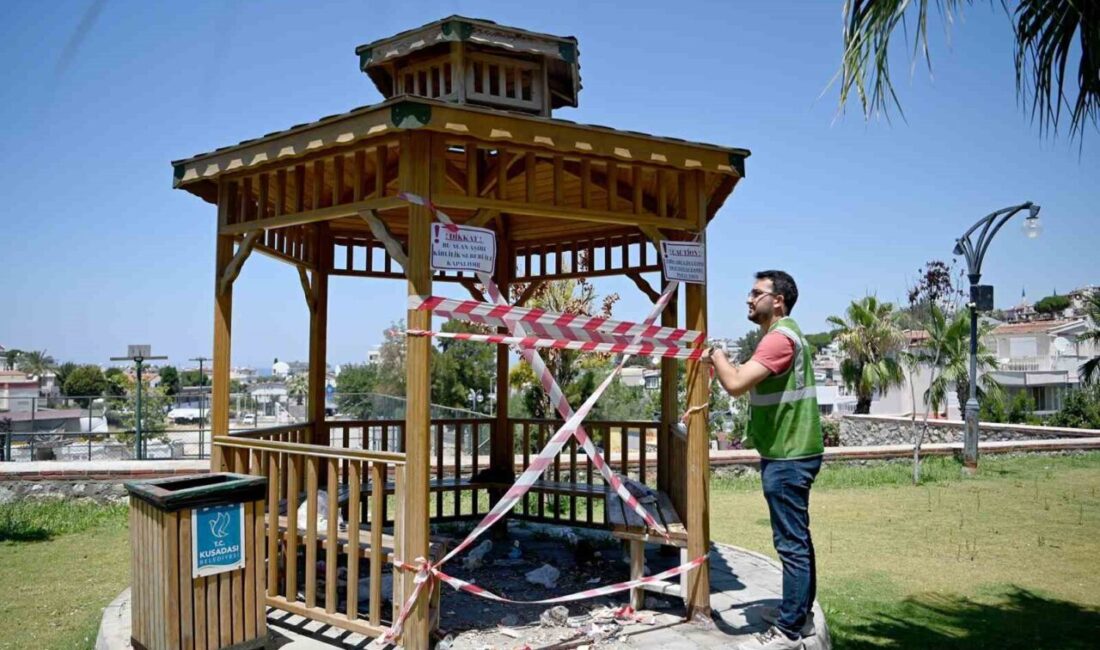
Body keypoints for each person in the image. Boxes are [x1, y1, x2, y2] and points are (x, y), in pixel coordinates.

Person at [702, 270, 824, 650]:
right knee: (797, 540)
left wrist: (717, 354)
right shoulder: (788, 336)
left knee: (791, 544)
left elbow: (736, 384)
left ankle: (787, 631)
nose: (748, 299)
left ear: (779, 301)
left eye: (757, 293)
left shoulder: (778, 340)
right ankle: (798, 616)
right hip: (792, 451)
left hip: (789, 456)